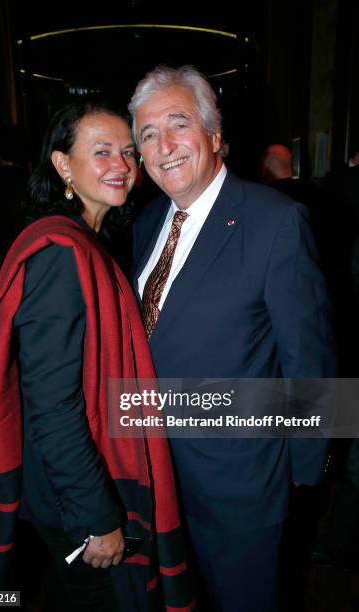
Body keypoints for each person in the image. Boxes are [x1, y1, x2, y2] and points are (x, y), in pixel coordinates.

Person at [0, 101, 194, 612]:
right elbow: (53, 407)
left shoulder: (88, 241)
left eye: (128, 152)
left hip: (74, 486)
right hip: (74, 500)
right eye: (101, 151)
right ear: (63, 165)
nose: (122, 165)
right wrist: (98, 518)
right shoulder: (63, 255)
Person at [129, 65, 335, 612]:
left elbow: (309, 361)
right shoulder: (148, 221)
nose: (163, 145)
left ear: (216, 136)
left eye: (179, 124)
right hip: (156, 479)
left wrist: (301, 480)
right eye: (147, 134)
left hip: (241, 487)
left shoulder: (276, 221)